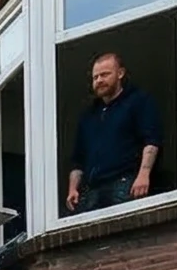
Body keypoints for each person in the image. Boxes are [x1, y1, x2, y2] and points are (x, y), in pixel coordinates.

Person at [67, 52, 161, 215]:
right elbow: (78, 160)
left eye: (105, 75)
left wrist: (143, 175)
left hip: (124, 183)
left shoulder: (137, 101)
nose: (99, 81)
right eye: (95, 77)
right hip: (92, 191)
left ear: (120, 73)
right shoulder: (88, 116)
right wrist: (73, 189)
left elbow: (151, 140)